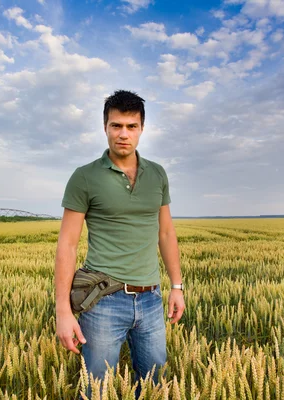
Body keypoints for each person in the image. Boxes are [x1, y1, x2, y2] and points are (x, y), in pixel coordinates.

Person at [55, 90, 185, 395]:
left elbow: (165, 233)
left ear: (142, 129)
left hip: (151, 299)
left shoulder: (157, 174)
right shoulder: (84, 177)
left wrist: (176, 286)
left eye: (131, 126)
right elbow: (67, 244)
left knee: (153, 387)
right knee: (97, 390)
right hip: (104, 300)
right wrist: (63, 310)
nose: (123, 134)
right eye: (116, 126)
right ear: (105, 127)